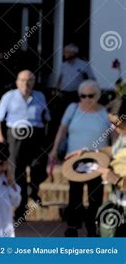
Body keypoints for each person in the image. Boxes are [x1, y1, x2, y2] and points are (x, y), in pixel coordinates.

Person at [49, 80, 111, 237]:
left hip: (99, 160)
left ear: (97, 96)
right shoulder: (73, 109)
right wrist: (55, 150)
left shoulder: (105, 113)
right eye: (83, 96)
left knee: (95, 197)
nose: (87, 99)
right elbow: (62, 130)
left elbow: (115, 138)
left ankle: (93, 227)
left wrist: (115, 157)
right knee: (75, 195)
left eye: (90, 96)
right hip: (74, 160)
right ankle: (73, 226)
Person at [0, 70, 50, 219]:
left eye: (30, 80)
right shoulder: (9, 97)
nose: (26, 83)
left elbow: (46, 117)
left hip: (35, 134)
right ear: (17, 82)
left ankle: (33, 188)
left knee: (39, 165)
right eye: (23, 80)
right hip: (15, 134)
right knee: (18, 171)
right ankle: (21, 209)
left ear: (34, 82)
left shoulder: (40, 96)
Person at [96, 97, 126, 236]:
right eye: (110, 122)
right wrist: (89, 152)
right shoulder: (122, 136)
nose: (113, 127)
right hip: (119, 205)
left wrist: (117, 180)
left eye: (116, 122)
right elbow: (115, 152)